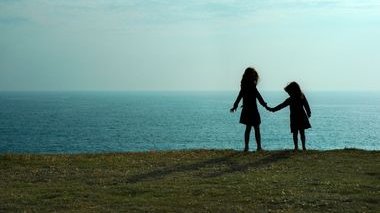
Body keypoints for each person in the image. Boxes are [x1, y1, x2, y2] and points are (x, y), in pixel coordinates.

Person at [230, 67, 269, 152]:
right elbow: (258, 96)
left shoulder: (244, 85)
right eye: (253, 74)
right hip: (252, 109)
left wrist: (235, 105)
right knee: (256, 128)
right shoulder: (252, 85)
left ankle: (247, 147)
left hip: (247, 108)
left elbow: (240, 95)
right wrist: (265, 105)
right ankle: (258, 147)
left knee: (248, 128)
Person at [268, 82, 311, 151]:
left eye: (289, 92)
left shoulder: (291, 99)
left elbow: (281, 105)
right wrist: (308, 113)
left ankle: (296, 147)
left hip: (294, 117)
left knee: (295, 133)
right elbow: (306, 105)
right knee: (301, 132)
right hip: (301, 116)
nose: (288, 94)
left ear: (292, 91)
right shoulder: (301, 96)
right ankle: (303, 147)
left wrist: (273, 109)